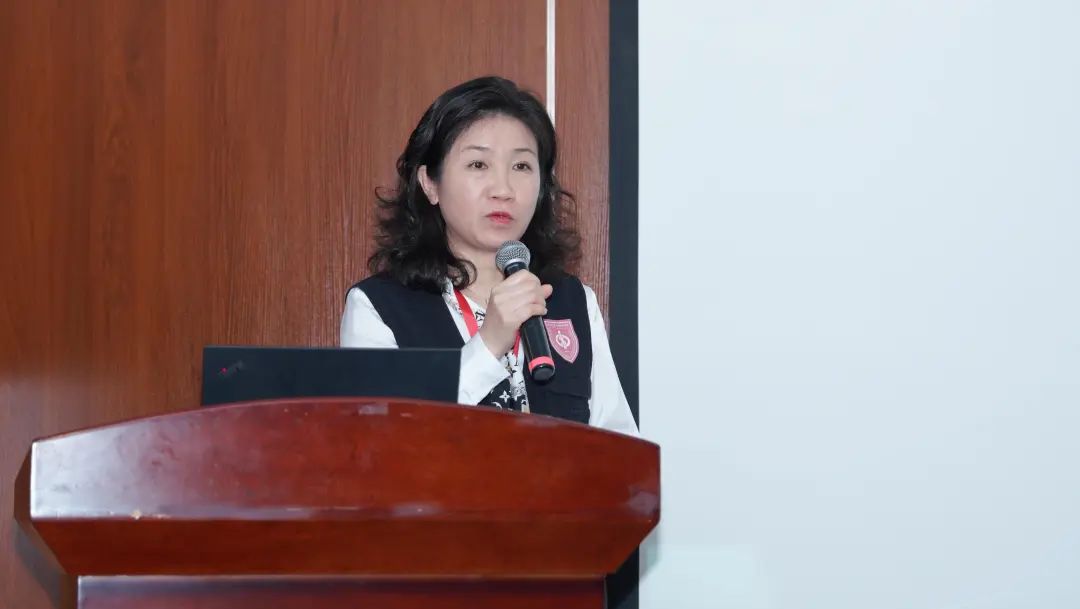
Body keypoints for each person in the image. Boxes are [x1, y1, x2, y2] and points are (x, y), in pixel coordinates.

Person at [340, 76, 638, 437]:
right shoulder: (379, 307)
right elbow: (381, 442)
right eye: (478, 165)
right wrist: (488, 343)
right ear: (430, 183)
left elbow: (619, 449)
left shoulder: (572, 301)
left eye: (521, 166)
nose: (503, 189)